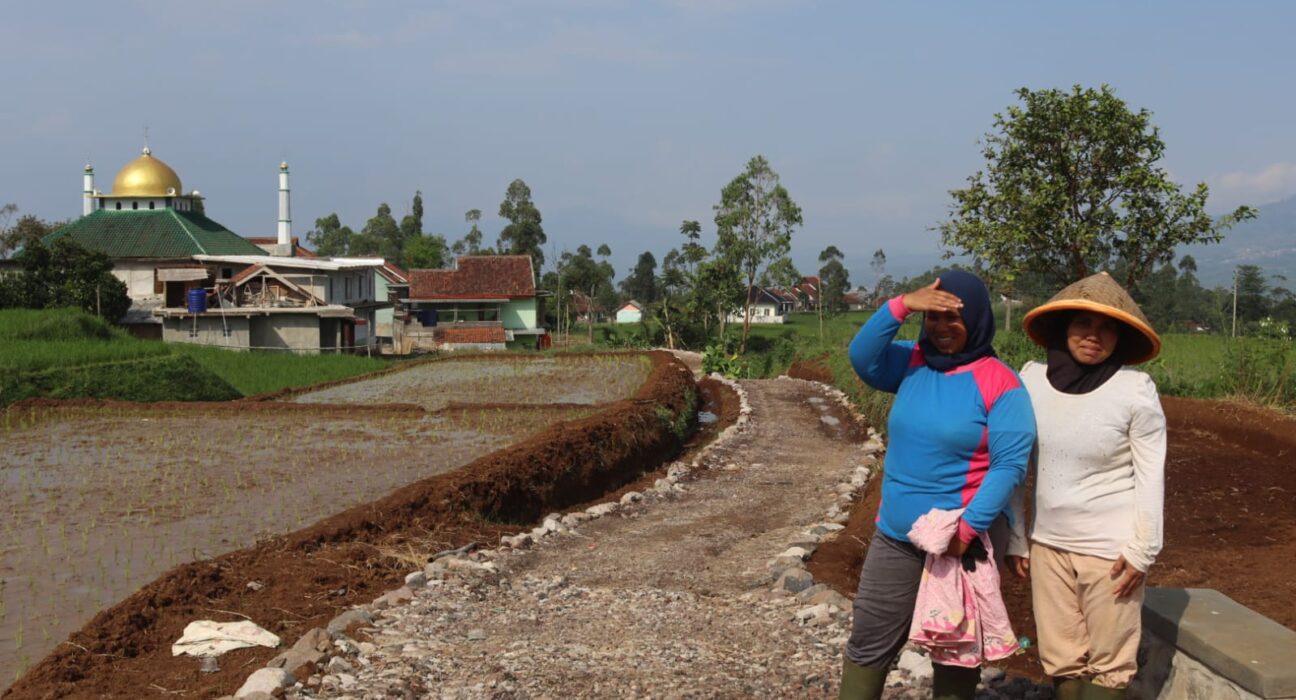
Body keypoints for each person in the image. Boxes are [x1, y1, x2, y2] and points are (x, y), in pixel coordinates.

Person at [839, 270, 1036, 700]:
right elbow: (862, 355)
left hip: (960, 540)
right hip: (895, 535)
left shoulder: (1001, 383)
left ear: (978, 320)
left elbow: (1008, 467)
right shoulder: (910, 362)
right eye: (934, 318)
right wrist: (903, 304)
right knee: (869, 641)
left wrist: (965, 533)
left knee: (953, 651)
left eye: (954, 319)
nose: (942, 329)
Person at [1007, 271, 1166, 700]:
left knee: (1110, 663)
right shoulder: (1032, 381)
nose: (1093, 336)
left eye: (1106, 328)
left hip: (1110, 553)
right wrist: (1017, 536)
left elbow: (1152, 474)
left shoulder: (1134, 391)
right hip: (1048, 545)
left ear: (1120, 339)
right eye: (1083, 324)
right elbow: (1015, 465)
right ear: (1063, 328)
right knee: (1060, 655)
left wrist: (1143, 550)